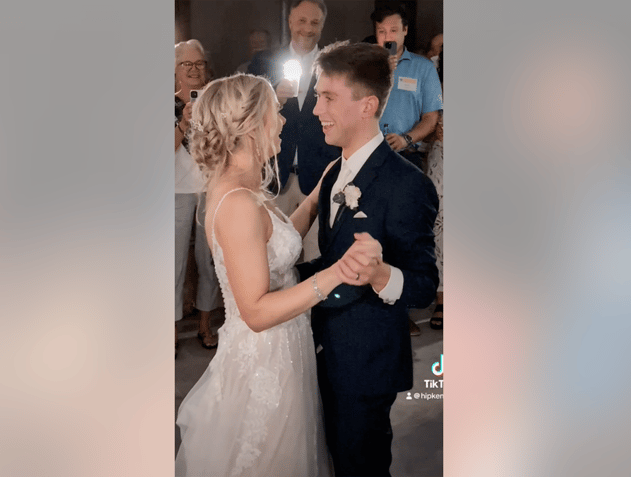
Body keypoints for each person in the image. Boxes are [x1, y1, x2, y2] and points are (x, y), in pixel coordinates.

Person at [174, 73, 380, 476]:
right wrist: (337, 273)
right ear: (249, 125)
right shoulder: (236, 204)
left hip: (286, 345)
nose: (283, 121)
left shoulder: (245, 188)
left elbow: (279, 243)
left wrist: (321, 190)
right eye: (276, 112)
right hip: (264, 360)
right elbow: (255, 312)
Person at [299, 41, 440, 476]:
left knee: (361, 465)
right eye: (318, 95)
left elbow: (420, 283)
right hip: (323, 347)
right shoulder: (335, 169)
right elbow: (332, 259)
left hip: (367, 362)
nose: (316, 108)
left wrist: (381, 273)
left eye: (328, 98)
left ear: (368, 105)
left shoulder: (407, 185)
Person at [247, 0, 341, 261]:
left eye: (314, 22)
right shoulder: (263, 62)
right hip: (276, 170)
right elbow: (246, 112)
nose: (307, 28)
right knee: (273, 254)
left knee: (316, 254)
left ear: (322, 25)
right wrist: (274, 97)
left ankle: (310, 303)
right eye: (302, 21)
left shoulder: (335, 65)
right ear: (290, 21)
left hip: (321, 170)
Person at [174, 39, 221, 350]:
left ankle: (205, 324)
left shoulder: (217, 101)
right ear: (175, 69)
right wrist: (184, 122)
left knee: (208, 262)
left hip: (210, 189)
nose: (193, 69)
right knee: (172, 264)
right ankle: (172, 330)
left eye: (199, 63)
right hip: (174, 191)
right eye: (186, 64)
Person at [372, 5, 443, 171]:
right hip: (370, 152)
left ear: (405, 30)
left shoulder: (424, 68)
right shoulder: (364, 67)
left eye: (393, 30)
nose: (387, 37)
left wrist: (406, 139)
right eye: (381, 31)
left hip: (408, 155)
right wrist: (379, 71)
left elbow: (431, 117)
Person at [426, 48, 444, 330]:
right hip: (442, 158)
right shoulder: (434, 73)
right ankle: (442, 300)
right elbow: (424, 116)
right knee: (440, 230)